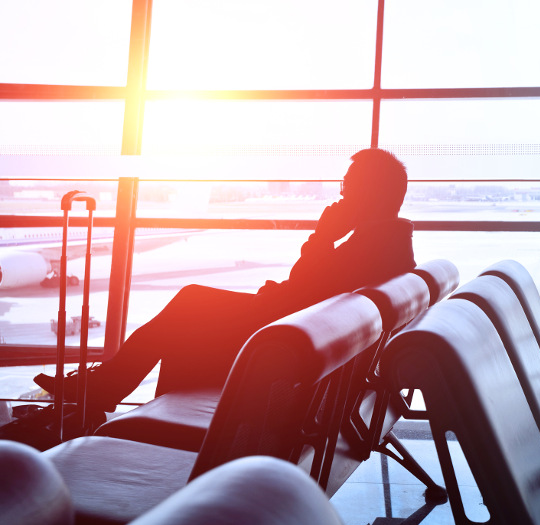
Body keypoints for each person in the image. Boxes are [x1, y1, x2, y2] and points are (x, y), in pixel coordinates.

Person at [34, 148, 415, 412]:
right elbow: (311, 293)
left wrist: (323, 234)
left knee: (188, 308)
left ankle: (108, 391)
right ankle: (109, 389)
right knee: (192, 302)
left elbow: (302, 288)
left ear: (369, 194)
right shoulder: (387, 246)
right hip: (302, 340)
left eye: (348, 185)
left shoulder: (368, 247)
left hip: (281, 349)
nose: (341, 191)